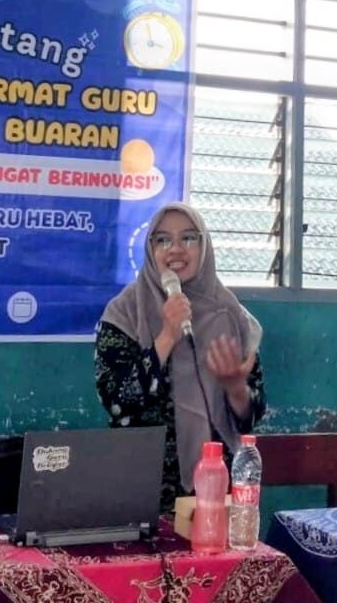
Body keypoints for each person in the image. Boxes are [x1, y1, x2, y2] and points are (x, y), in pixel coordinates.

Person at [95, 202, 266, 509]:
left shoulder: (231, 314)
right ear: (150, 249)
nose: (175, 249)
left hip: (216, 489)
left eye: (188, 238)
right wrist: (167, 336)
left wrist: (236, 390)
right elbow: (116, 401)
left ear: (204, 246)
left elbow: (251, 417)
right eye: (162, 240)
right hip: (141, 486)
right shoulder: (124, 312)